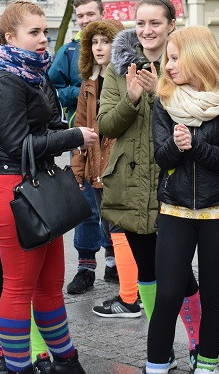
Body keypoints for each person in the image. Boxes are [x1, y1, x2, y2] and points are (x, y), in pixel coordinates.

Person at [0, 0, 96, 374]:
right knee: (17, 288)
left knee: (48, 287)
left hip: (36, 187)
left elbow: (40, 130)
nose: (44, 39)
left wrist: (72, 132)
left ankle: (66, 361)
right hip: (14, 191)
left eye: (45, 31)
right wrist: (73, 135)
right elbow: (17, 145)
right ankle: (18, 366)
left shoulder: (32, 71)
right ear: (10, 37)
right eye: (35, 32)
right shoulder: (4, 79)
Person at [98, 0, 200, 368]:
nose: (146, 31)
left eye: (155, 23)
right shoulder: (119, 65)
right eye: (140, 23)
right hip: (131, 182)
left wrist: (160, 93)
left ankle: (197, 341)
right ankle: (164, 347)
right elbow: (105, 124)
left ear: (172, 24)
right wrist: (131, 97)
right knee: (148, 269)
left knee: (179, 271)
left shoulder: (187, 62)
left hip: (175, 180)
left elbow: (203, 115)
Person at [147, 26, 219, 374]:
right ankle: (155, 364)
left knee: (215, 296)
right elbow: (161, 157)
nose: (168, 66)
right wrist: (175, 145)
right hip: (175, 208)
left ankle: (207, 364)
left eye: (174, 58)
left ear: (198, 56)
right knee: (168, 293)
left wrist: (196, 146)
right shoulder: (165, 101)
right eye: (167, 59)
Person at [0, 32, 53, 374]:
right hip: (5, 187)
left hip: (37, 183)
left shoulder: (37, 79)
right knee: (8, 280)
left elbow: (48, 123)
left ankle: (41, 352)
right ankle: (3, 352)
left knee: (40, 282)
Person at [68, 19, 143, 319]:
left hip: (120, 166)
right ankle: (130, 289)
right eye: (94, 42)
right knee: (110, 229)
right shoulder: (89, 81)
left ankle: (132, 292)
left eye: (105, 41)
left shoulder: (128, 76)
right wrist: (77, 170)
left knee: (122, 229)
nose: (99, 48)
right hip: (95, 169)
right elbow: (80, 127)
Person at [49, 0, 117, 294]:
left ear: (102, 13)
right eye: (81, 16)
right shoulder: (68, 52)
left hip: (112, 149)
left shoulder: (117, 55)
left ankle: (116, 264)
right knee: (87, 208)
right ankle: (86, 266)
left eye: (91, 14)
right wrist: (78, 91)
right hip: (85, 138)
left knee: (115, 213)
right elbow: (53, 85)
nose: (86, 20)